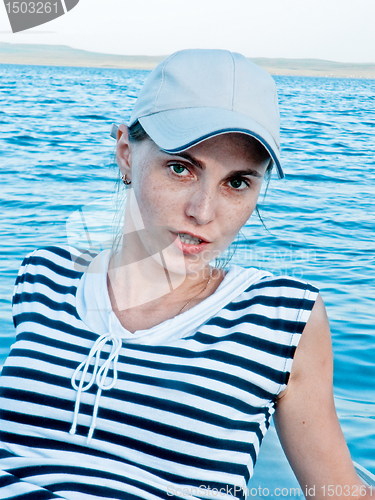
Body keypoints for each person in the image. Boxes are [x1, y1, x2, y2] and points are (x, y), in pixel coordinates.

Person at [0, 49, 372, 500]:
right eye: (180, 168)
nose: (203, 211)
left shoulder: (281, 317)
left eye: (237, 182)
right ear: (125, 154)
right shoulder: (45, 276)